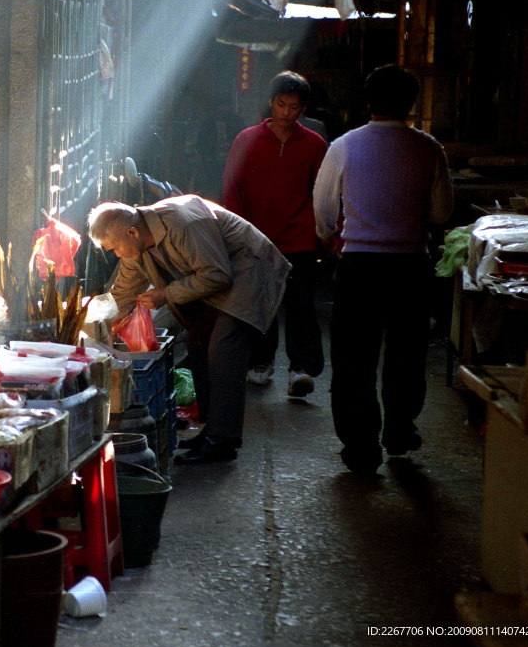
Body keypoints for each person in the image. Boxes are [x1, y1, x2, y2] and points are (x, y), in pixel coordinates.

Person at [313, 64, 454, 474]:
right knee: (406, 353)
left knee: (354, 358)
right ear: (411, 104)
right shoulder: (429, 148)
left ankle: (361, 446)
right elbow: (442, 211)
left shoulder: (343, 145)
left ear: (367, 101)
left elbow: (323, 209)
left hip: (359, 267)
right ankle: (399, 429)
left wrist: (328, 234)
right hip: (411, 267)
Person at [88, 196, 290, 464]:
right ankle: (210, 431)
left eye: (115, 249)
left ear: (132, 232)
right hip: (217, 277)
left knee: (223, 349)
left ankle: (222, 441)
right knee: (197, 343)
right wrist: (97, 323)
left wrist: (166, 294)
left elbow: (218, 274)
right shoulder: (137, 245)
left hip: (246, 269)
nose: (116, 254)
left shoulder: (184, 223)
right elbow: (122, 294)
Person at [222, 71, 328, 397]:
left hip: (300, 238)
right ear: (270, 103)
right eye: (281, 104)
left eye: (293, 106)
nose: (286, 112)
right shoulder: (246, 140)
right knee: (259, 303)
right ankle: (260, 363)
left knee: (300, 305)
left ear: (303, 109)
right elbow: (231, 189)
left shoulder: (314, 144)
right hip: (255, 238)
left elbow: (322, 191)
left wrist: (320, 230)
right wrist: (238, 233)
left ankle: (301, 369)